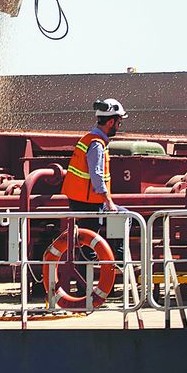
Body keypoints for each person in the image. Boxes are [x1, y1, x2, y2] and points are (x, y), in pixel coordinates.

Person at [60, 98, 129, 262]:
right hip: (89, 202)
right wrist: (108, 201)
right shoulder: (96, 144)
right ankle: (117, 261)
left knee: (88, 243)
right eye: (119, 123)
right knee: (89, 245)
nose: (119, 127)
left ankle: (110, 263)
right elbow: (97, 174)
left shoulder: (91, 140)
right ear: (111, 121)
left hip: (84, 200)